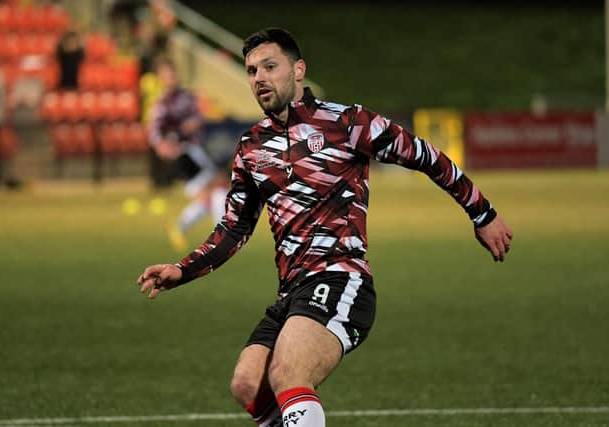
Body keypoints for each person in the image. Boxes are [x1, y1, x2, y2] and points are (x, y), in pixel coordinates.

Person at [137, 28, 513, 426]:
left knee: (287, 374)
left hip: (340, 279)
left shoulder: (346, 122)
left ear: (298, 70)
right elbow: (234, 227)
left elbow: (425, 155)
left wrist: (482, 214)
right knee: (248, 384)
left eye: (270, 66)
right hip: (291, 292)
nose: (259, 78)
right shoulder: (251, 147)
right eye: (251, 71)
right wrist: (184, 269)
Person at [147, 56, 228, 250]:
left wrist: (196, 122)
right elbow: (155, 132)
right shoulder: (162, 104)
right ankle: (222, 233)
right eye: (167, 75)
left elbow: (198, 117)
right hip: (184, 154)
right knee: (217, 184)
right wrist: (164, 146)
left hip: (197, 150)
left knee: (211, 192)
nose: (172, 78)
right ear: (161, 78)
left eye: (173, 74)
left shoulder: (187, 96)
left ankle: (181, 226)